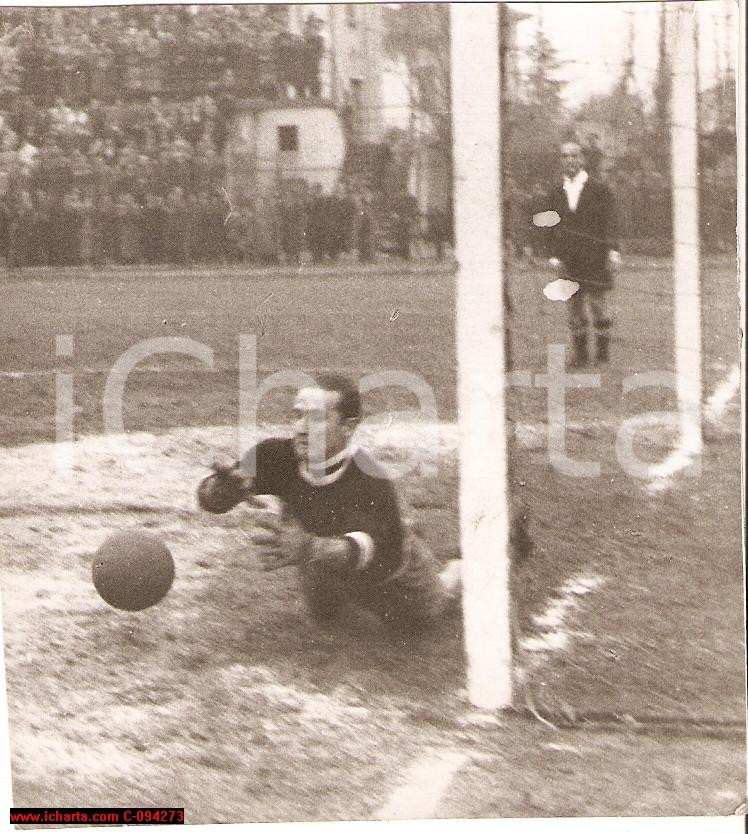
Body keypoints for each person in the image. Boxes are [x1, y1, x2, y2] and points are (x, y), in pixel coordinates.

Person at [197, 373, 460, 636]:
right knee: (326, 619)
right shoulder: (275, 455)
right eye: (297, 415)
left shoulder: (369, 480)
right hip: (324, 558)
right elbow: (210, 501)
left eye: (316, 418)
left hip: (391, 576)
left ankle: (455, 569)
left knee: (424, 617)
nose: (301, 427)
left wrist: (309, 547)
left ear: (348, 427)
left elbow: (382, 559)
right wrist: (220, 490)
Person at [545, 141, 621, 367]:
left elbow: (610, 222)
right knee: (574, 305)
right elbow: (551, 226)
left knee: (598, 304)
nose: (569, 160)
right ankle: (580, 355)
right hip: (569, 258)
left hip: (595, 256)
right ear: (561, 160)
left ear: (582, 159)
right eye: (565, 156)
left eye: (574, 156)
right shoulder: (555, 192)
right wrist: (553, 255)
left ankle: (602, 355)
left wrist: (613, 250)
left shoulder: (599, 189)